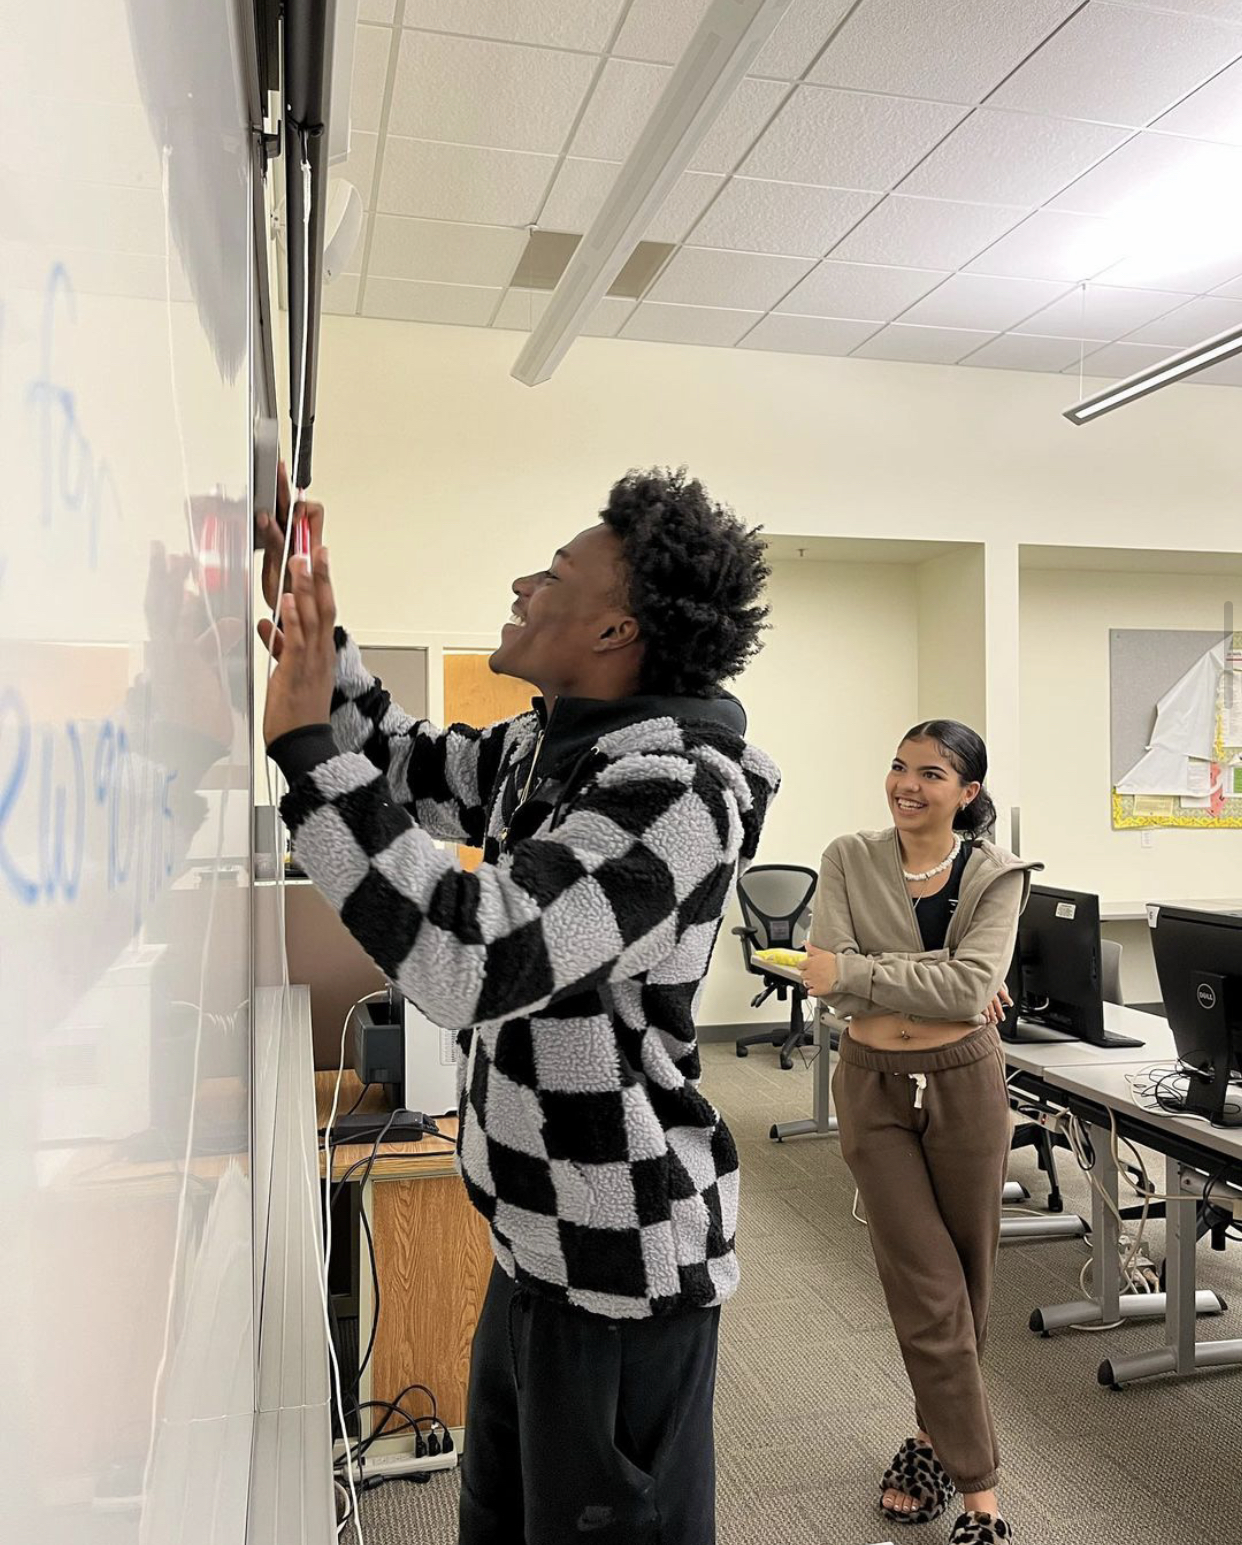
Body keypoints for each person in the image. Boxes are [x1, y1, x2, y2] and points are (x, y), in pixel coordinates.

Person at [256, 465, 780, 1545]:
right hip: (537, 1245)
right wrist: (317, 629)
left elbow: (472, 955)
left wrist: (303, 752)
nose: (524, 586)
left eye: (551, 574)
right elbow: (400, 761)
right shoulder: (554, 744)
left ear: (614, 628)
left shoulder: (683, 786)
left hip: (621, 1271)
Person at [799, 721, 1039, 1545]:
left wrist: (874, 972)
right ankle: (984, 1501)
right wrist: (934, 979)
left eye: (930, 773)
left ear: (966, 792)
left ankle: (931, 1443)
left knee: (967, 1288)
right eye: (898, 766)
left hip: (965, 1084)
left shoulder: (998, 873)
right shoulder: (846, 855)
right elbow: (829, 989)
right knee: (929, 1289)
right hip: (870, 1088)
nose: (906, 783)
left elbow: (968, 989)